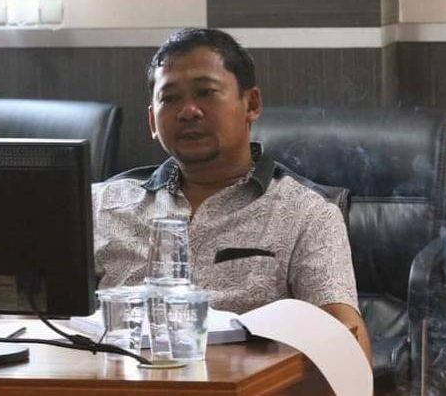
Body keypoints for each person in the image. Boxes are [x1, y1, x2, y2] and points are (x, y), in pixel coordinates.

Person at [92, 28, 372, 360]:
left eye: (206, 93)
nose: (188, 111)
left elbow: (348, 346)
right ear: (153, 120)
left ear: (251, 104)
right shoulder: (100, 205)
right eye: (170, 98)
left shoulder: (306, 214)